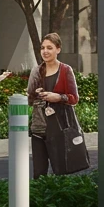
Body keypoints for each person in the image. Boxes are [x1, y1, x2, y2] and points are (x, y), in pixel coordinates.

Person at [26, 32, 81, 177]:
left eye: (49, 48)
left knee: (61, 171)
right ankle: (40, 199)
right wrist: (36, 94)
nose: (45, 51)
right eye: (43, 48)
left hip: (59, 128)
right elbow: (29, 99)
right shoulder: (36, 71)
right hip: (39, 128)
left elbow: (74, 98)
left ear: (58, 49)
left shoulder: (65, 70)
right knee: (39, 173)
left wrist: (59, 97)